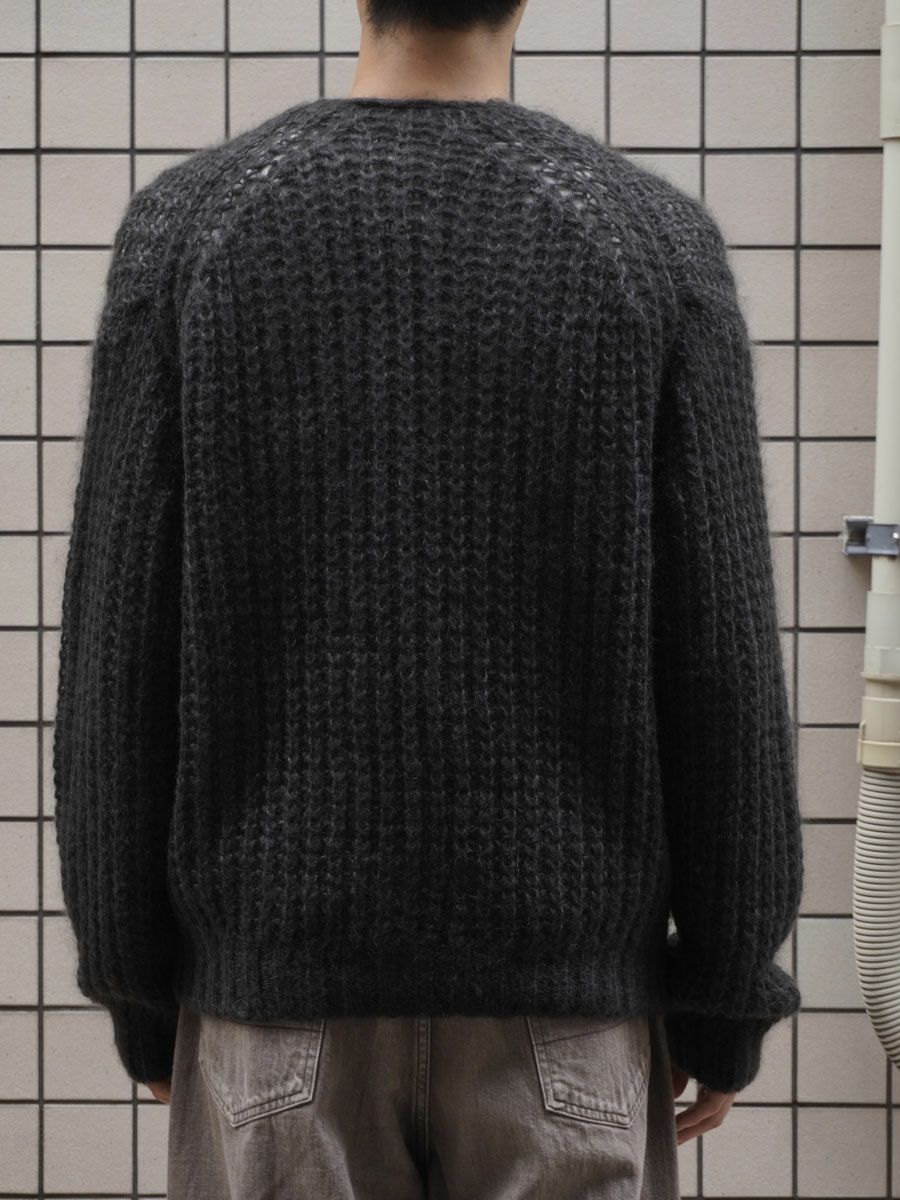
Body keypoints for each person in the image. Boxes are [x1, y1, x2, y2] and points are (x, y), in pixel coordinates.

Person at [52, 0, 804, 1195]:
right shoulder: (653, 242)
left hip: (275, 1012)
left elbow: (116, 653)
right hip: (565, 1016)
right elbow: (722, 663)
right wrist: (725, 995)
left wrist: (137, 988)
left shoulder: (191, 231)